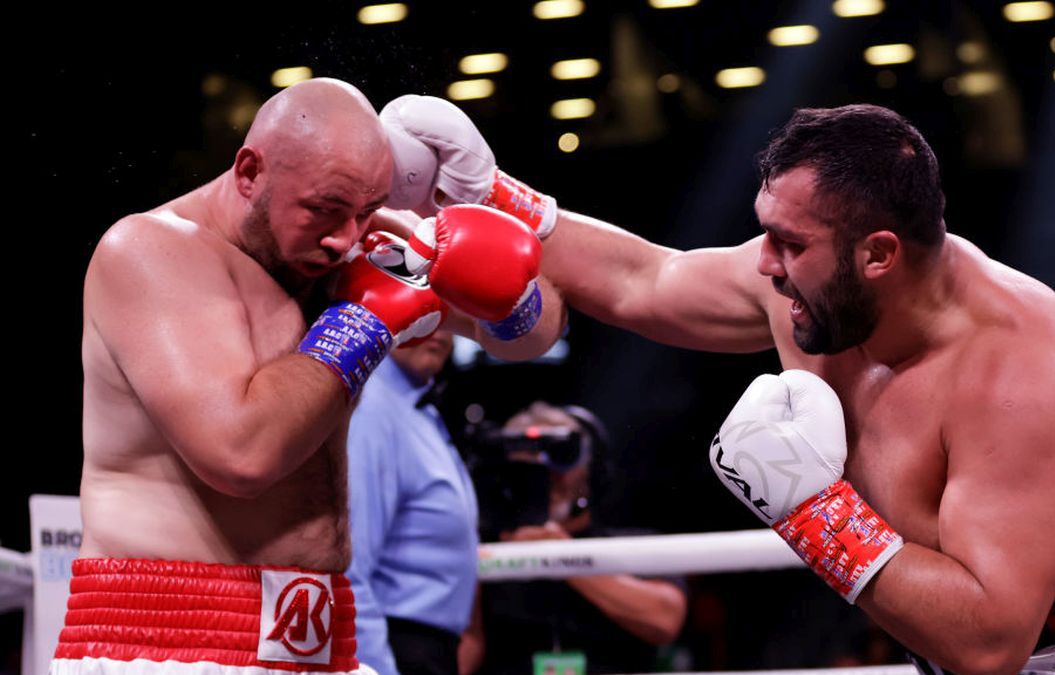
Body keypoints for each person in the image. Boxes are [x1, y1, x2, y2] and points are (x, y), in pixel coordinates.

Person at [380, 99, 1055, 674]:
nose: (762, 262)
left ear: (878, 253)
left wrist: (815, 512)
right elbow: (645, 279)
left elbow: (990, 641)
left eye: (787, 242)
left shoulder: (1022, 371)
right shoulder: (805, 283)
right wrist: (495, 197)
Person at [64, 79, 560, 675]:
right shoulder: (151, 251)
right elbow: (241, 454)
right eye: (323, 209)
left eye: (365, 211)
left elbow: (532, 338)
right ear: (250, 171)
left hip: (319, 641)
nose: (344, 237)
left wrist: (493, 250)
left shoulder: (343, 247)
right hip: (170, 644)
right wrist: (365, 321)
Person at [462, 403, 687, 675]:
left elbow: (664, 620)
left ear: (591, 468)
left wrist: (563, 555)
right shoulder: (489, 551)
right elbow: (466, 652)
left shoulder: (634, 546)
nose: (547, 475)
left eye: (560, 456)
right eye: (527, 461)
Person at [347, 328, 478, 675]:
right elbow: (349, 564)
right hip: (393, 646)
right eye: (423, 314)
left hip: (424, 647)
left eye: (447, 316)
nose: (438, 330)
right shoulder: (371, 407)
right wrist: (376, 668)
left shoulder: (415, 407)